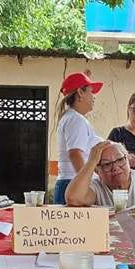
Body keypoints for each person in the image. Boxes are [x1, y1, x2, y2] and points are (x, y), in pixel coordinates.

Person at [65, 140, 135, 213]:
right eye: (107, 164)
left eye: (120, 160)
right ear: (98, 171)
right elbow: (74, 198)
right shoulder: (96, 187)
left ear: (128, 160)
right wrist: (91, 161)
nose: (115, 167)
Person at [54, 71, 104, 204]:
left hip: (70, 183)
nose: (94, 97)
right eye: (90, 91)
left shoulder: (72, 118)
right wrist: (85, 183)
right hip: (73, 185)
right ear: (80, 93)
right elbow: (75, 154)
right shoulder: (76, 120)